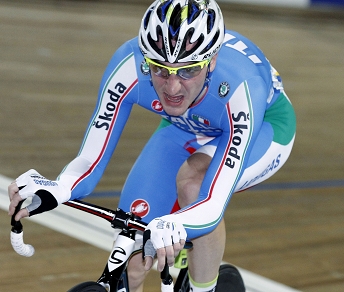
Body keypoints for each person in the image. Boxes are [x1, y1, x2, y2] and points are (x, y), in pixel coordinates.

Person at [8, 0, 296, 291]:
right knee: (134, 244)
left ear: (212, 61)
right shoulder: (129, 64)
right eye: (159, 69)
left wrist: (177, 224)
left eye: (187, 71)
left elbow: (211, 204)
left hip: (264, 127)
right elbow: (91, 159)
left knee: (193, 184)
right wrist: (60, 187)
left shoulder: (243, 88)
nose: (171, 87)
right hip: (185, 125)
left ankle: (203, 288)